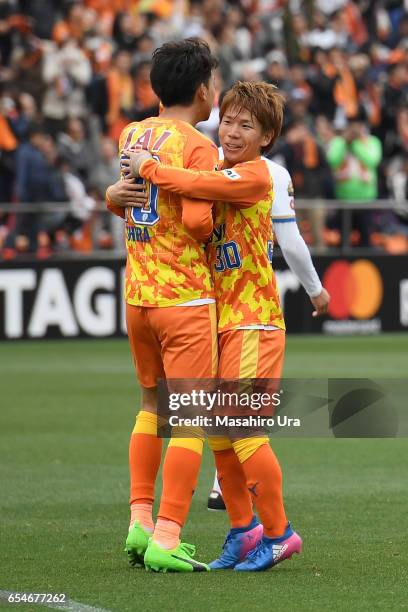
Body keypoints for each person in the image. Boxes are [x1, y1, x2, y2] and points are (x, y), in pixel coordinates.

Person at [122, 80, 330, 571]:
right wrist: (119, 191)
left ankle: (280, 534)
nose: (233, 133)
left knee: (244, 430)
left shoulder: (258, 176)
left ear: (267, 137)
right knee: (219, 430)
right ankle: (243, 529)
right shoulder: (218, 164)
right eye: (229, 121)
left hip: (253, 322)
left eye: (247, 126)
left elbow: (196, 187)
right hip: (222, 322)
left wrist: (149, 166)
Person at [106, 38, 219, 573]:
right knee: (192, 416)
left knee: (152, 408)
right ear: (203, 90)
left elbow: (124, 196)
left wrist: (113, 196)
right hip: (185, 297)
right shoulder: (199, 146)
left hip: (138, 296)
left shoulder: (134, 133)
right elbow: (198, 222)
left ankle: (140, 520)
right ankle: (169, 536)